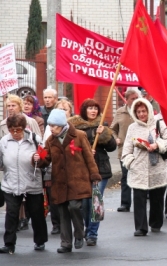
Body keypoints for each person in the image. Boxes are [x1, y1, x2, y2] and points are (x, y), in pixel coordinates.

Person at [33, 109, 101, 253]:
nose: (51, 129)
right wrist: (38, 160)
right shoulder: (51, 140)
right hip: (59, 181)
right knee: (63, 212)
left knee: (74, 207)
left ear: (62, 125)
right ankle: (66, 243)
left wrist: (94, 175)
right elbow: (46, 159)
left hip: (78, 180)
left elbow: (89, 158)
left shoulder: (79, 135)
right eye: (50, 125)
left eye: (54, 126)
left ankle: (79, 234)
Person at [122, 98, 167, 236]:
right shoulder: (132, 128)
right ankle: (140, 227)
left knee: (157, 198)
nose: (141, 114)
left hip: (157, 167)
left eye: (143, 111)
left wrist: (157, 145)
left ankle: (156, 223)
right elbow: (126, 149)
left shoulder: (158, 123)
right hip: (138, 168)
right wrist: (130, 162)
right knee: (139, 199)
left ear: (149, 111)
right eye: (138, 112)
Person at [68, 99, 117, 246]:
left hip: (100, 170)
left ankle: (92, 234)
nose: (93, 111)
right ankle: (85, 228)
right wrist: (87, 150)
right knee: (84, 202)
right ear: (84, 110)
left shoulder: (102, 125)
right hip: (82, 170)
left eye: (95, 108)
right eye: (90, 108)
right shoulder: (75, 127)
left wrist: (103, 135)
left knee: (94, 201)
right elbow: (71, 147)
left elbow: (112, 147)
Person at [0, 114, 48, 254]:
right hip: (11, 183)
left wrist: (38, 159)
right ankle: (9, 244)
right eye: (12, 129)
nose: (15, 133)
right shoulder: (4, 141)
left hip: (32, 182)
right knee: (12, 214)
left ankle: (40, 241)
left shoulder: (35, 140)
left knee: (36, 213)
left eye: (18, 130)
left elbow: (45, 161)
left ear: (24, 128)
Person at [0, 94, 42, 232]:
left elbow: (39, 145)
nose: (11, 108)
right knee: (11, 209)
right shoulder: (3, 127)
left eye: (14, 105)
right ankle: (9, 242)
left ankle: (38, 237)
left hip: (30, 174)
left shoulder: (31, 122)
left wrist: (37, 158)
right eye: (9, 106)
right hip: (10, 172)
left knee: (35, 209)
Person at [42, 99, 73, 235]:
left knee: (72, 203)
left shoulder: (75, 129)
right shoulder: (50, 131)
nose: (62, 112)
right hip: (54, 171)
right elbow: (45, 153)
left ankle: (74, 227)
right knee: (55, 199)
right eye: (59, 109)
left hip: (71, 173)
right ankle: (57, 224)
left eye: (65, 109)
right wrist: (47, 174)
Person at [111, 88, 140, 212]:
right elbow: (112, 129)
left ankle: (142, 200)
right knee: (125, 176)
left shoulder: (141, 111)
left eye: (136, 98)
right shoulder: (120, 112)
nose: (135, 101)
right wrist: (116, 138)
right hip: (124, 150)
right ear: (126, 100)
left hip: (140, 149)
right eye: (132, 99)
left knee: (140, 176)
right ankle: (125, 203)